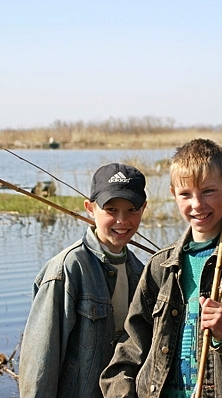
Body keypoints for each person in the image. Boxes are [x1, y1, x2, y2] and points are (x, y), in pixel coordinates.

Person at [100, 138, 222, 397]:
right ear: (173, 194)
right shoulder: (161, 266)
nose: (197, 204)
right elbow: (130, 349)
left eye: (208, 191)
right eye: (186, 194)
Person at [19, 163, 149, 398]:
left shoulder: (141, 273)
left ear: (144, 209)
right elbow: (40, 363)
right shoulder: (66, 269)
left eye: (132, 210)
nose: (122, 220)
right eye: (111, 209)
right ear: (90, 208)